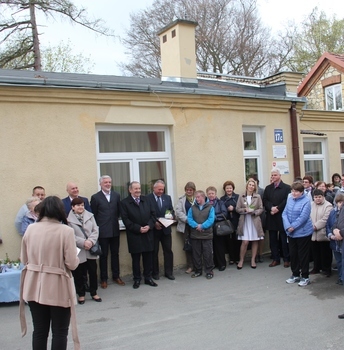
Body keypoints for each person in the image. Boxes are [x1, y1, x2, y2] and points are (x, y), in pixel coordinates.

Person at [19, 196, 80, 350]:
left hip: (33, 285)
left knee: (39, 331)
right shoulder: (66, 231)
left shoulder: (31, 228)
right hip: (58, 286)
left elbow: (23, 258)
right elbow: (72, 264)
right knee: (60, 332)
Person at [120, 181, 157, 289]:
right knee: (136, 259)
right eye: (135, 189)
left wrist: (149, 226)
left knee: (148, 258)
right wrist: (138, 228)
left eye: (139, 188)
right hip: (134, 234)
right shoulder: (124, 203)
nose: (138, 191)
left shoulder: (147, 200)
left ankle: (148, 278)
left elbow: (153, 215)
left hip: (148, 233)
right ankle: (137, 279)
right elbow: (125, 220)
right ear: (130, 190)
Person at [90, 175, 124, 289]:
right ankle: (103, 279)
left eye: (109, 182)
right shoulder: (95, 197)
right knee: (103, 255)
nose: (108, 184)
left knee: (115, 254)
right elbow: (93, 214)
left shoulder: (116, 195)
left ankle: (116, 276)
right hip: (103, 231)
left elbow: (119, 211)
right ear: (100, 184)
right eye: (105, 182)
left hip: (115, 230)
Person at [68, 197, 102, 304]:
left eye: (82, 205)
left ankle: (94, 292)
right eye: (78, 205)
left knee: (93, 272)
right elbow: (70, 235)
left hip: (91, 249)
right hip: (79, 250)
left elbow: (95, 230)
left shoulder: (90, 216)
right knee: (79, 273)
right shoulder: (68, 219)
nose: (80, 207)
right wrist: (83, 242)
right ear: (73, 207)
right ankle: (81, 294)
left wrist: (90, 242)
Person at [282, 182, 313, 287]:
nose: (294, 193)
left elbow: (303, 217)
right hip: (291, 233)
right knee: (293, 254)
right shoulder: (290, 199)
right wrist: (287, 226)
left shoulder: (306, 201)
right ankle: (295, 274)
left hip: (303, 233)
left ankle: (305, 276)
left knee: (303, 255)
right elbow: (284, 213)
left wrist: (293, 227)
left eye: (296, 191)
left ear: (301, 192)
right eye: (293, 191)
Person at [147, 180, 175, 280]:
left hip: (166, 229)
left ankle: (169, 272)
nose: (160, 191)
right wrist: (154, 223)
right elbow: (147, 213)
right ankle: (155, 272)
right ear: (154, 188)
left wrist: (170, 216)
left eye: (162, 189)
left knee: (168, 251)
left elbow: (170, 210)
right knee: (154, 252)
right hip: (154, 230)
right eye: (159, 189)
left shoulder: (167, 198)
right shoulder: (148, 198)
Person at [263, 168, 291, 267]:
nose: (273, 177)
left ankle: (286, 259)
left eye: (275, 175)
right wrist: (271, 207)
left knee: (283, 239)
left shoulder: (287, 188)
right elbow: (265, 200)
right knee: (273, 239)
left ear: (280, 176)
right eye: (272, 175)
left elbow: (286, 200)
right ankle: (276, 258)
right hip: (271, 216)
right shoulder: (268, 188)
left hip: (282, 216)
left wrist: (278, 208)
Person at [236, 178, 264, 269]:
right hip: (244, 221)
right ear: (247, 186)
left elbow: (261, 208)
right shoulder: (241, 196)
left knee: (255, 240)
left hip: (254, 221)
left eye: (253, 185)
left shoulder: (258, 196)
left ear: (255, 187)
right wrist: (244, 209)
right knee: (245, 241)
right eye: (250, 185)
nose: (251, 187)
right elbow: (237, 209)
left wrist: (254, 212)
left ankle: (253, 260)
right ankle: (241, 260)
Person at [187, 190, 215, 279]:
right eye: (196, 197)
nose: (196, 199)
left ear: (203, 197)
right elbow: (189, 219)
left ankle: (209, 271)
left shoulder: (210, 207)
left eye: (198, 197)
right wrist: (196, 226)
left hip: (207, 235)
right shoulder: (192, 208)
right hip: (195, 235)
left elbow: (211, 219)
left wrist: (202, 226)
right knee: (196, 254)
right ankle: (198, 270)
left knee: (208, 254)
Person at [310, 189, 333, 276]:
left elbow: (325, 219)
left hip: (323, 233)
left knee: (325, 252)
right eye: (316, 197)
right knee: (315, 252)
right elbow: (308, 216)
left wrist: (315, 226)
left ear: (323, 197)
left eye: (319, 197)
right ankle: (316, 267)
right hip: (313, 233)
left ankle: (327, 269)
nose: (318, 199)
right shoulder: (311, 205)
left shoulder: (328, 206)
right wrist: (311, 226)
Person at [175, 181, 196, 274]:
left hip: (196, 226)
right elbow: (178, 212)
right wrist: (188, 220)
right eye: (187, 190)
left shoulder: (198, 198)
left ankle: (198, 265)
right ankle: (190, 266)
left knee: (197, 246)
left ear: (194, 190)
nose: (189, 192)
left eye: (190, 190)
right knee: (188, 247)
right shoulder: (181, 200)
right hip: (186, 226)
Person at [206, 186, 228, 271]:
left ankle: (222, 264)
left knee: (219, 246)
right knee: (212, 246)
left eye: (212, 193)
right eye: (209, 194)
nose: (211, 195)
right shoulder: (205, 203)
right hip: (208, 227)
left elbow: (224, 214)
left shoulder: (220, 202)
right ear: (207, 194)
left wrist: (214, 217)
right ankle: (214, 263)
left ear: (215, 194)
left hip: (218, 226)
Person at [220, 181, 240, 265]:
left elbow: (241, 207)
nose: (229, 190)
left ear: (233, 189)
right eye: (227, 188)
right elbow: (221, 209)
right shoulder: (222, 199)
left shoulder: (238, 197)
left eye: (230, 188)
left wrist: (234, 208)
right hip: (227, 222)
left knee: (237, 240)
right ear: (224, 189)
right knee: (229, 241)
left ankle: (238, 258)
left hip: (237, 221)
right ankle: (231, 258)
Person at [326, 193, 344, 285]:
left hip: (341, 239)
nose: (340, 204)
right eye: (338, 202)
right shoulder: (333, 212)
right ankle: (341, 277)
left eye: (342, 202)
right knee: (339, 261)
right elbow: (330, 224)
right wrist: (332, 233)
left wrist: (340, 233)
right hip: (335, 241)